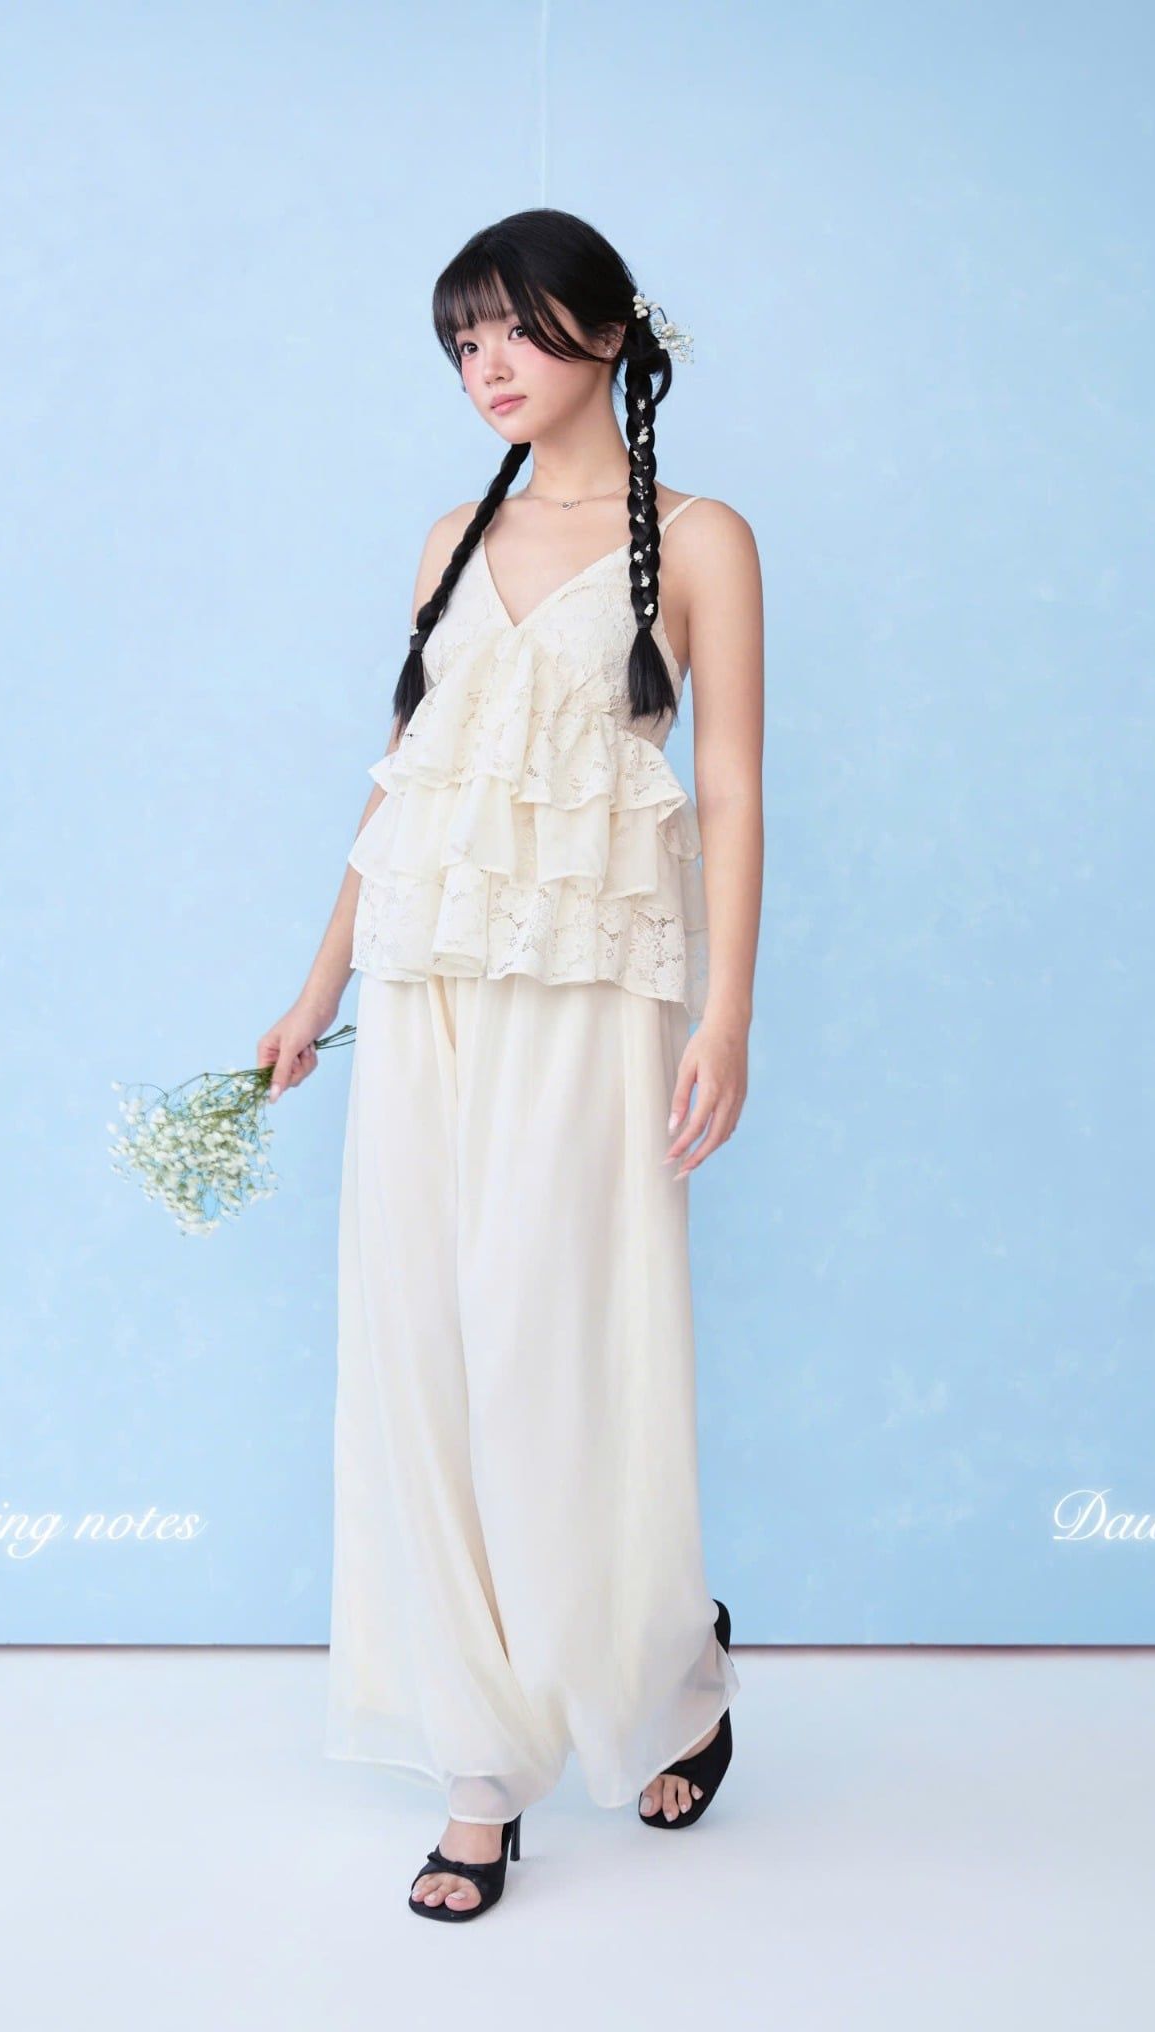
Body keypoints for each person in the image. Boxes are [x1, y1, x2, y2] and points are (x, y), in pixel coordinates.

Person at [257, 207, 764, 1920]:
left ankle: (672, 1669)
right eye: (461, 340)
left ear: (608, 334)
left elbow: (734, 788)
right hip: (426, 984)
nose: (484, 364)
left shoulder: (701, 539)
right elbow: (406, 782)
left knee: (562, 1346)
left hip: (593, 987)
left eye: (515, 330)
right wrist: (314, 985)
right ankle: (477, 1768)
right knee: (424, 1347)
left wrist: (725, 1015)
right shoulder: (447, 538)